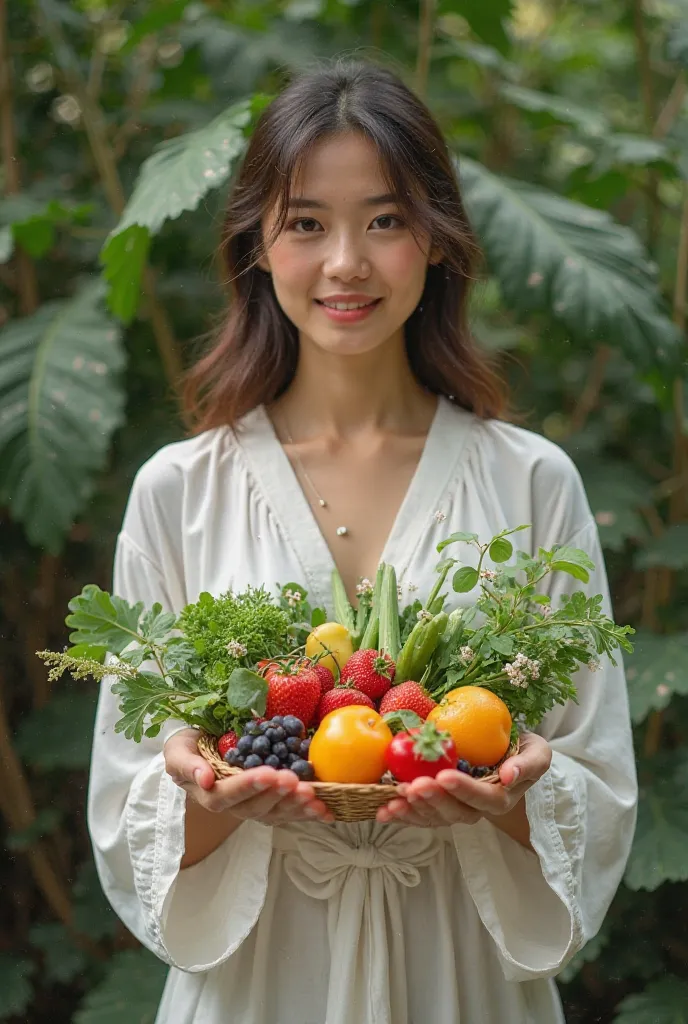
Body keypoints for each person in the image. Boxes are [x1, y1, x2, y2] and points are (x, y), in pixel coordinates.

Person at [87, 58, 637, 1024]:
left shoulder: (532, 481)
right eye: (307, 223)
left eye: (384, 220)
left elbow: (597, 774)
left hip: (461, 974)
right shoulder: (178, 491)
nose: (347, 262)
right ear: (257, 244)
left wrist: (503, 796)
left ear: (437, 241)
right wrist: (210, 801)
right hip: (257, 980)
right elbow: (128, 790)